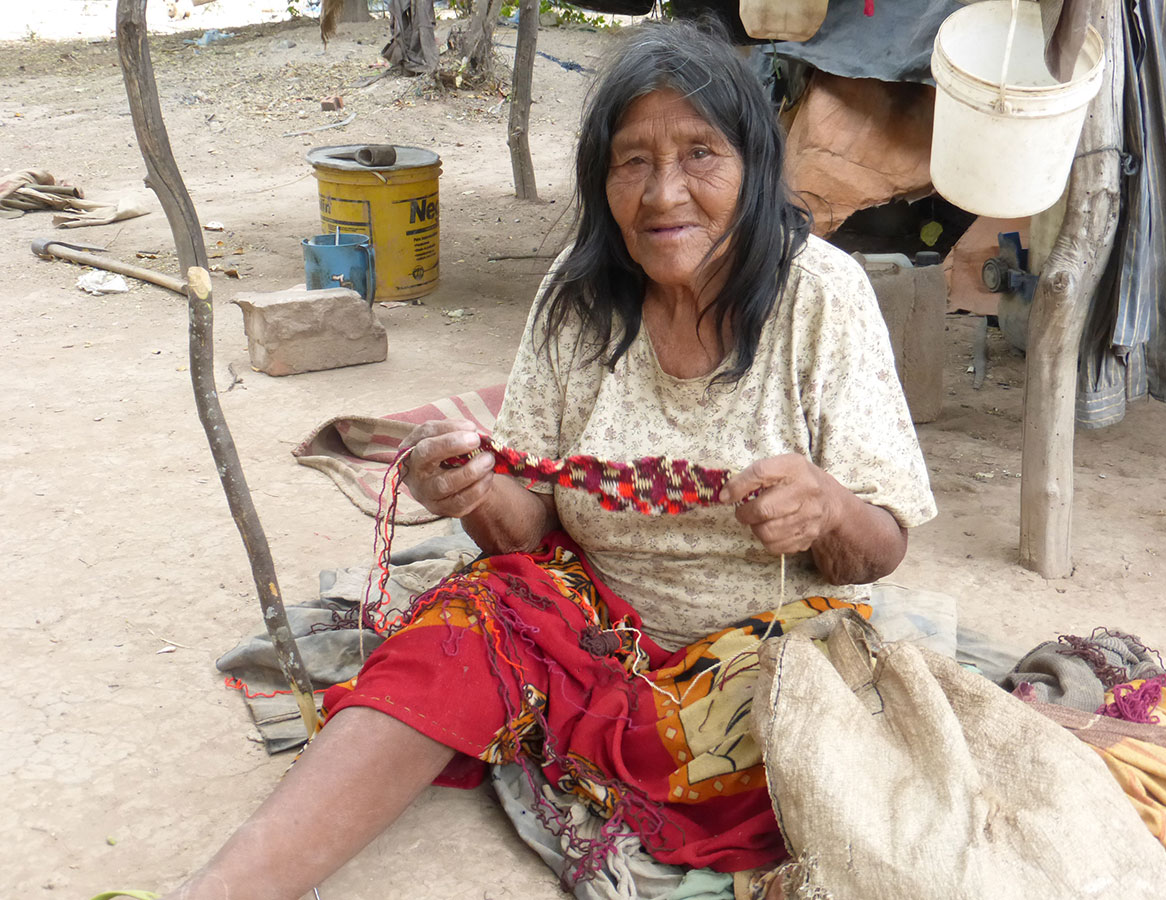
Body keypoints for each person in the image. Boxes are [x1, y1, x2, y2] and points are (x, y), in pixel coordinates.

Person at [163, 19, 936, 900]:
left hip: (777, 653)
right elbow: (527, 535)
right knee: (466, 626)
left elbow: (881, 548)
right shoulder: (579, 298)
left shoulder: (822, 296)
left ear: (755, 168)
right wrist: (475, 491)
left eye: (699, 154)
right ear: (601, 180)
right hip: (597, 624)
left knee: (826, 777)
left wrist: (829, 507)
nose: (663, 193)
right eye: (632, 160)